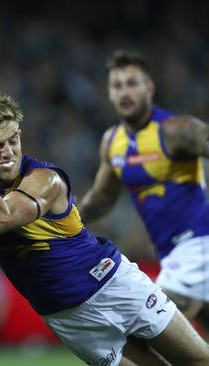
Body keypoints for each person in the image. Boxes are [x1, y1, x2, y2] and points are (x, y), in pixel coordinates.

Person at [0, 92, 209, 365]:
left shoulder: (45, 178)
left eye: (13, 140)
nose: (8, 152)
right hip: (70, 319)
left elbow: (3, 217)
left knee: (196, 360)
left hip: (114, 285)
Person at [78, 50, 209, 331]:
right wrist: (64, 222)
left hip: (199, 245)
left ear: (149, 88)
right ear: (110, 94)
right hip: (172, 254)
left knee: (155, 330)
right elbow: (102, 199)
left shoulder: (176, 130)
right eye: (117, 85)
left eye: (132, 83)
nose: (124, 91)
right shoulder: (112, 142)